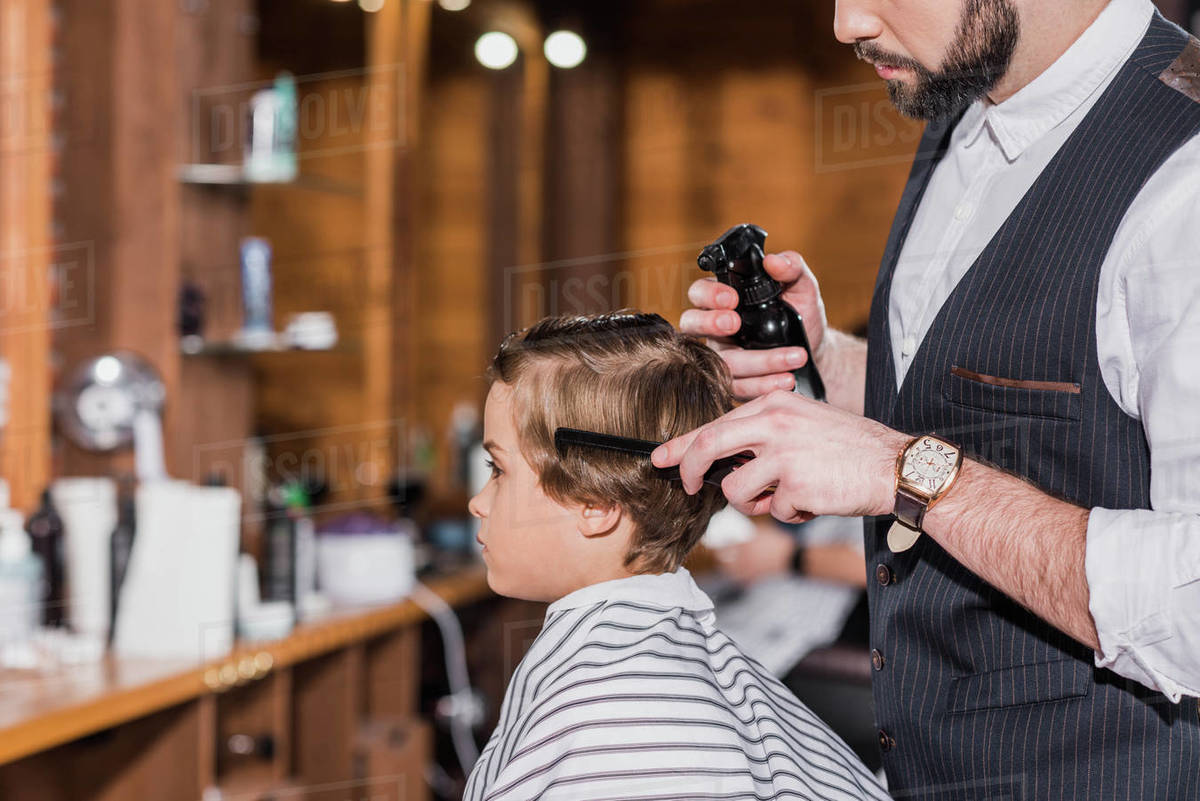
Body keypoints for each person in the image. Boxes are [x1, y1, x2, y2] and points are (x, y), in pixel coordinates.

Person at [655, 0, 1200, 798]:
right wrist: (824, 359)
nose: (847, 23)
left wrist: (902, 471)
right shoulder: (963, 98)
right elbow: (984, 404)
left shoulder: (1186, 176)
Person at [462, 312, 889, 801]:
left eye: (498, 469)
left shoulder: (615, 728)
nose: (478, 502)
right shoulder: (625, 688)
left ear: (596, 503)